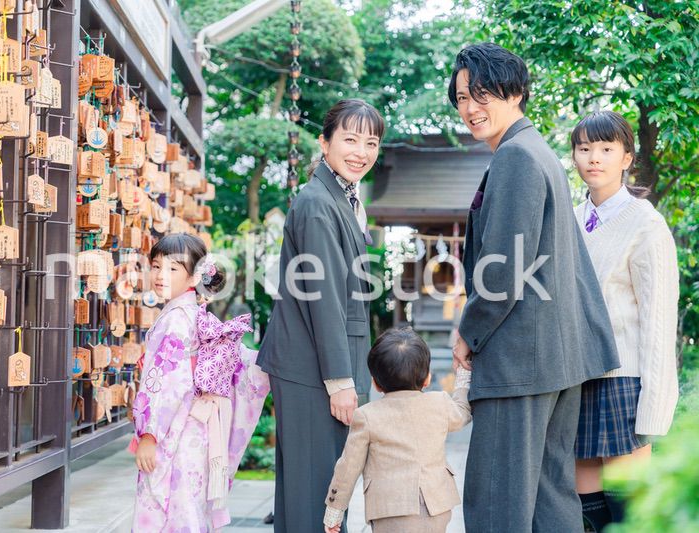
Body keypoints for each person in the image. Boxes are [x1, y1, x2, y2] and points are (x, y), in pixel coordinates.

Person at [447, 43, 620, 532]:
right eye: (461, 96)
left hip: (521, 361)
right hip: (553, 359)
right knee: (549, 499)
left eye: (483, 92)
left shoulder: (517, 156)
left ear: (517, 92)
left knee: (498, 502)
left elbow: (503, 270)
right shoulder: (534, 149)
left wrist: (469, 332)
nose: (470, 106)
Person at [257, 98, 384, 532]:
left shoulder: (339, 197)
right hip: (313, 368)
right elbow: (324, 297)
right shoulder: (317, 203)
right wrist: (340, 381)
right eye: (349, 139)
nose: (361, 152)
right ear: (324, 143)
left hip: (313, 364)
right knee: (318, 490)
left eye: (371, 142)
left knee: (315, 489)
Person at [570, 111, 679, 531]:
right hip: (578, 378)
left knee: (629, 514)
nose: (594, 158)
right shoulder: (571, 220)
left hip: (623, 380)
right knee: (586, 514)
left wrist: (653, 408)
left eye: (606, 149)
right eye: (584, 149)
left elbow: (658, 321)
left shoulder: (646, 224)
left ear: (627, 157)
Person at [130, 233, 270, 532]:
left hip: (176, 432)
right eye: (156, 266)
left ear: (194, 277)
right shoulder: (190, 313)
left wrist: (148, 435)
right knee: (188, 509)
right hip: (196, 429)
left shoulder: (176, 319)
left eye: (172, 269)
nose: (159, 275)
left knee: (174, 510)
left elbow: (167, 384)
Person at [321, 328, 472, 533]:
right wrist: (463, 377)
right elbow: (463, 413)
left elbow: (348, 467)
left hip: (389, 509)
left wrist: (334, 510)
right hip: (436, 504)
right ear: (427, 378)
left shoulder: (367, 416)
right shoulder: (440, 404)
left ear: (376, 383)